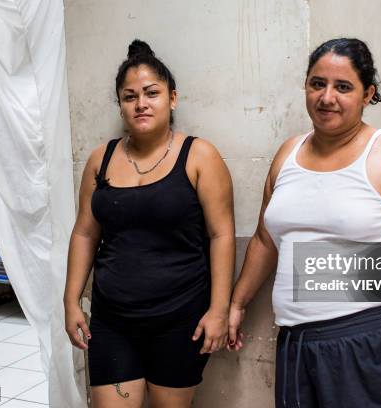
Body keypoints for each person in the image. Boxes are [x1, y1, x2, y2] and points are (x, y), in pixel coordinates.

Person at [227, 38, 381, 408]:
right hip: (297, 342)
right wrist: (237, 303)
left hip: (373, 337)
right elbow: (266, 241)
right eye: (317, 84)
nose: (326, 97)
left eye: (343, 87)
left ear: (368, 94)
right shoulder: (288, 153)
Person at [63, 39, 235, 408]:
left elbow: (221, 235)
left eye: (151, 93)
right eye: (130, 96)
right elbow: (84, 233)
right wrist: (71, 299)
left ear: (172, 98)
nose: (141, 103)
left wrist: (219, 309)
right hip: (113, 320)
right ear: (121, 105)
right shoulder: (100, 160)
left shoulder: (200, 156)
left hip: (180, 319)